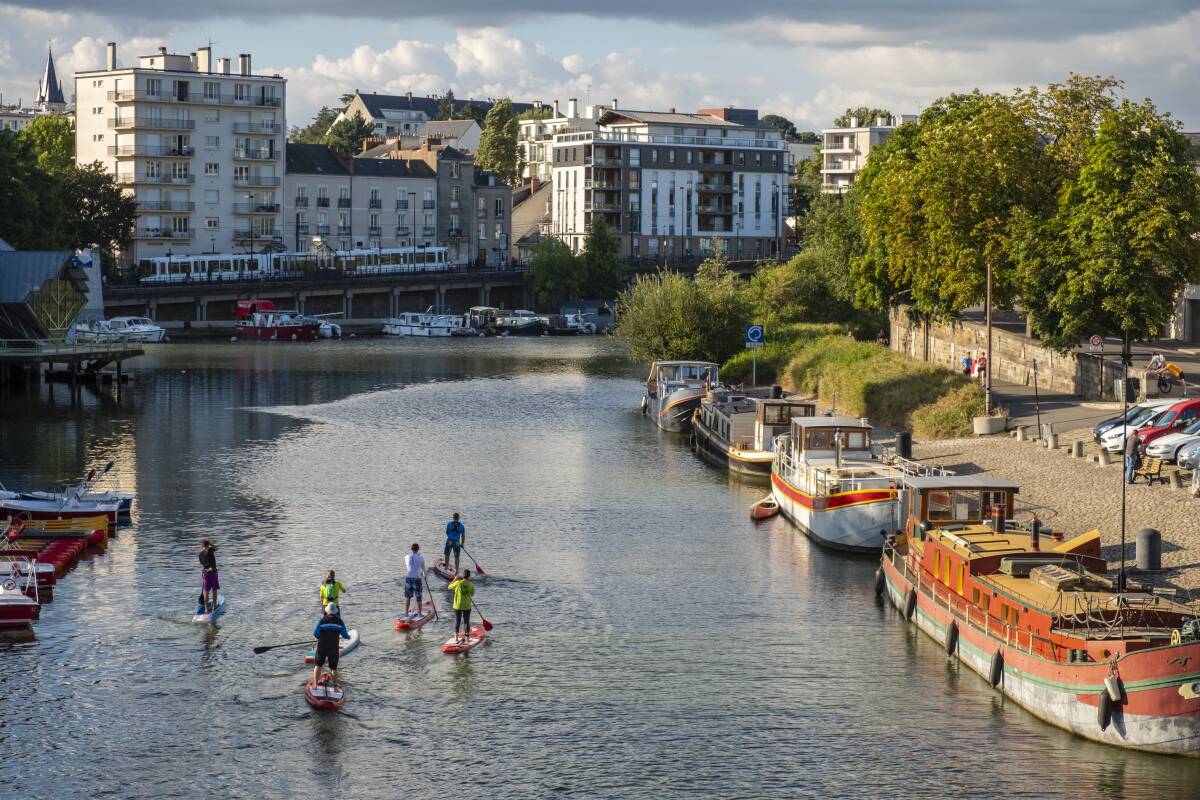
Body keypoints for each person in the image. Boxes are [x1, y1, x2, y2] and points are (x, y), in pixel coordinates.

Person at [311, 602, 350, 688]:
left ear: (327, 611)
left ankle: (315, 685)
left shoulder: (322, 621)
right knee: (334, 668)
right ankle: (335, 687)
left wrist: (320, 636)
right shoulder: (340, 622)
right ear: (336, 612)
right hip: (333, 648)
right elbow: (345, 636)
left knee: (318, 665)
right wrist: (348, 636)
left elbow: (316, 634)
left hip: (322, 647)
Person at [448, 569, 476, 644]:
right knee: (466, 622)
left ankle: (456, 638)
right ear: (469, 576)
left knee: (457, 621)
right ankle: (467, 639)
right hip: (467, 605)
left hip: (457, 605)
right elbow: (472, 594)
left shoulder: (457, 583)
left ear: (463, 575)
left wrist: (455, 579)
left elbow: (449, 587)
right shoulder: (470, 584)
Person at [404, 542, 426, 617]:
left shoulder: (406, 557)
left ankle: (406, 613)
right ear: (418, 549)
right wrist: (424, 575)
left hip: (408, 578)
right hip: (417, 578)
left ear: (411, 549)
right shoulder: (421, 558)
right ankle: (419, 613)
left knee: (408, 597)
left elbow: (408, 566)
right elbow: (423, 569)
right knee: (418, 597)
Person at [198, 540, 219, 612]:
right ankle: (214, 606)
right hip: (213, 572)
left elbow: (202, 563)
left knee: (206, 591)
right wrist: (211, 544)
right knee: (214, 590)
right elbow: (216, 548)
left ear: (202, 545)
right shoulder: (210, 549)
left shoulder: (200, 554)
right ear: (208, 545)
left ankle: (206, 608)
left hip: (205, 573)